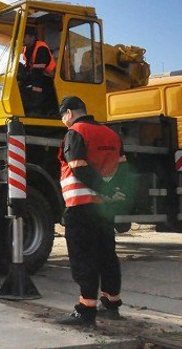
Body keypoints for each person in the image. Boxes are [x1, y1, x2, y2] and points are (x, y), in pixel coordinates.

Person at [56, 96, 126, 327]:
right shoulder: (112, 134)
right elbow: (124, 167)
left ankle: (86, 310)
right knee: (107, 254)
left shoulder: (75, 132)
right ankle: (111, 302)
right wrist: (114, 191)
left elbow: (78, 167)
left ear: (69, 112)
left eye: (62, 116)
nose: (63, 121)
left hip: (80, 206)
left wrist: (103, 189)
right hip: (103, 209)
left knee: (83, 257)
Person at [19, 27, 58, 116]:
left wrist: (25, 76)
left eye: (24, 36)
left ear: (32, 37)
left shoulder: (41, 48)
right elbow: (28, 67)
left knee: (34, 79)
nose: (22, 39)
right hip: (39, 77)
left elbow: (38, 70)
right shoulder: (26, 49)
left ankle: (36, 107)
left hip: (50, 79)